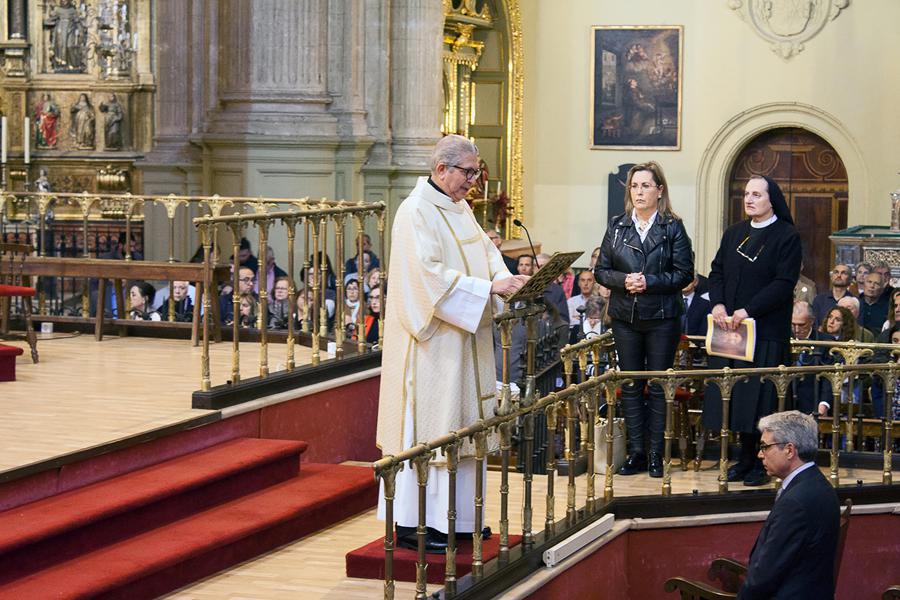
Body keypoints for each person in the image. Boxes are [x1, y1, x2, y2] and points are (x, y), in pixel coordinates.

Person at [375, 134, 528, 554]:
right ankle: (416, 523)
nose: (473, 182)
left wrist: (507, 282)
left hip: (466, 341)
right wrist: (488, 288)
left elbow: (487, 255)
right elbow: (427, 278)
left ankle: (460, 521)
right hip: (432, 348)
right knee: (434, 430)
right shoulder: (414, 213)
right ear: (441, 169)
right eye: (468, 172)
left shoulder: (460, 209)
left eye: (476, 173)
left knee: (465, 429)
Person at [595, 161, 694, 478]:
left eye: (646, 186)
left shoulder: (672, 227)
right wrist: (624, 280)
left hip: (662, 317)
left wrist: (649, 282)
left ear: (659, 190)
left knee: (658, 383)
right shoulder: (617, 225)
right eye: (634, 186)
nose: (639, 192)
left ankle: (655, 453)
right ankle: (637, 452)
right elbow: (601, 270)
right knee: (632, 385)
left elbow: (684, 274)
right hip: (626, 316)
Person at [702, 175, 802, 487]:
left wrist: (749, 311)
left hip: (764, 331)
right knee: (737, 399)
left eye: (756, 194)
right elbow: (716, 271)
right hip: (731, 332)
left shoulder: (787, 236)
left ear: (772, 199)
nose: (749, 199)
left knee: (761, 402)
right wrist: (718, 304)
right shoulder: (734, 233)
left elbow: (783, 284)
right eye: (747, 194)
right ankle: (744, 459)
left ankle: (764, 464)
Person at [738, 411, 840, 600]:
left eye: (765, 447)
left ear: (790, 450)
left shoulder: (796, 502)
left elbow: (764, 576)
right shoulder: (817, 484)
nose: (760, 454)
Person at [789, 301, 825, 415]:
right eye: (793, 324)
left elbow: (828, 378)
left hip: (812, 405)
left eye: (801, 325)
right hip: (787, 403)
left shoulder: (824, 342)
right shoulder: (784, 340)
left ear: (812, 321)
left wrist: (824, 404)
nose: (797, 329)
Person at [859, 271, 889, 337]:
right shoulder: (855, 303)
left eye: (877, 284)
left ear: (882, 288)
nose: (872, 286)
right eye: (869, 282)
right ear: (864, 284)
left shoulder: (888, 307)